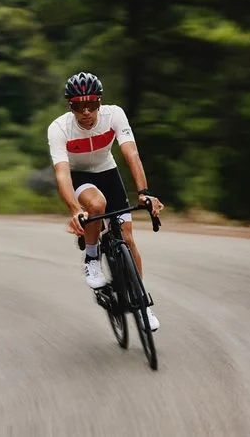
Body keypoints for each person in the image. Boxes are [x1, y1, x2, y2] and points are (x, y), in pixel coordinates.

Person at [47, 71, 164, 330]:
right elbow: (62, 173)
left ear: (99, 102)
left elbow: (131, 153)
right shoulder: (59, 128)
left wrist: (144, 192)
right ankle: (92, 258)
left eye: (92, 104)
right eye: (79, 106)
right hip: (79, 176)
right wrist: (75, 210)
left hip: (107, 171)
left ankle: (143, 305)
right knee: (97, 205)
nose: (86, 112)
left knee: (128, 238)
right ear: (70, 106)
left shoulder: (115, 115)